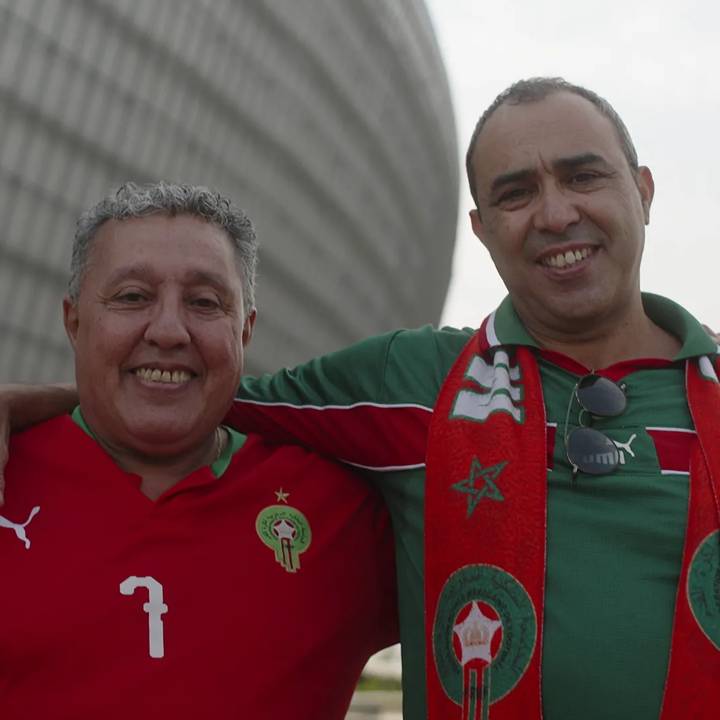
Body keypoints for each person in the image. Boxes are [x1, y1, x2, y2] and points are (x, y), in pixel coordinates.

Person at [3, 78, 720, 720]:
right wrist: (35, 406)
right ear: (482, 228)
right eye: (515, 192)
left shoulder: (335, 504)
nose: (556, 213)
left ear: (645, 190)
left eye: (583, 176)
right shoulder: (405, 384)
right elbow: (188, 397)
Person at [0, 183, 397, 719]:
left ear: (245, 331)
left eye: (204, 303)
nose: (168, 330)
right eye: (132, 296)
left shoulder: (346, 511)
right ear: (74, 322)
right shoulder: (12, 467)